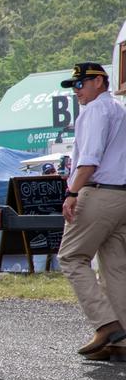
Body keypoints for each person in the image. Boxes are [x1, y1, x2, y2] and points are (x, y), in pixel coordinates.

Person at [55, 62, 126, 360]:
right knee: (115, 268)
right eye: (74, 86)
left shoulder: (96, 110)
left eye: (80, 84)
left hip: (98, 192)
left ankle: (106, 324)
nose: (77, 91)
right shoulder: (120, 110)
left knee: (70, 256)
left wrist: (72, 192)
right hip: (121, 195)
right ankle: (121, 341)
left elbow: (90, 159)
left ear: (99, 81)